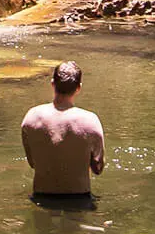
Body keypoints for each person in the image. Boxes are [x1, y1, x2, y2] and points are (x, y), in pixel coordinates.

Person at [21, 62, 106, 209]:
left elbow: (33, 163)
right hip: (80, 200)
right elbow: (98, 169)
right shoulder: (90, 120)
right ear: (79, 87)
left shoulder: (31, 117)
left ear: (53, 84)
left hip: (41, 199)